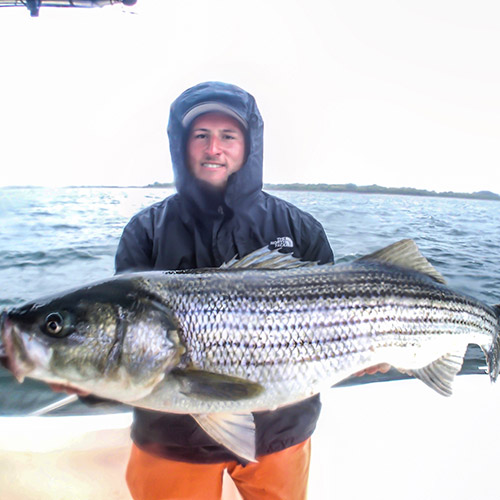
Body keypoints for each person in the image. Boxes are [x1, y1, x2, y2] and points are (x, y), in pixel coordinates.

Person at [115, 81, 334, 500]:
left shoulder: (301, 229)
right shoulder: (145, 232)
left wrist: (377, 349)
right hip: (171, 440)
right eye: (201, 135)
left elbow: (339, 321)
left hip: (281, 434)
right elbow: (127, 346)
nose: (213, 148)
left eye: (228, 136)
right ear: (181, 145)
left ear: (249, 145)